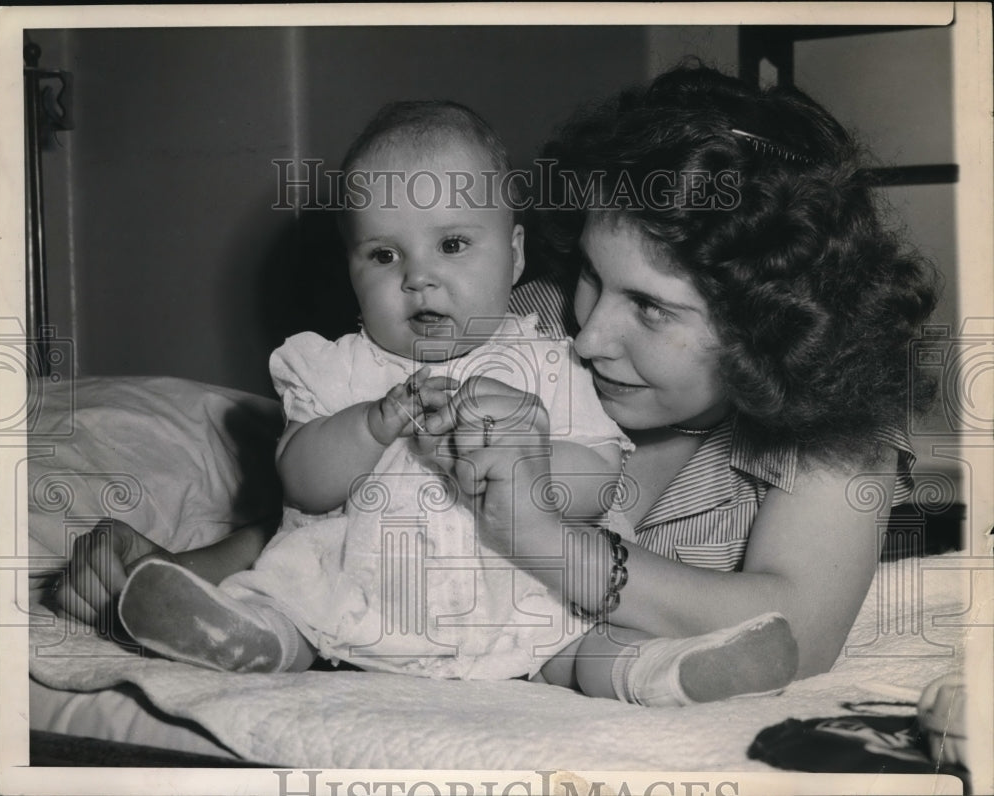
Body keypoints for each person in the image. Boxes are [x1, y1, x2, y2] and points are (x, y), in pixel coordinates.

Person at [55, 64, 937, 708]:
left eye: (651, 308)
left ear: (772, 329)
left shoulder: (839, 427)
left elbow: (799, 633)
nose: (589, 333)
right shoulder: (535, 322)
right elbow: (350, 510)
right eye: (591, 273)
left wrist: (538, 534)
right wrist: (173, 574)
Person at [110, 100, 630, 680]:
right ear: (350, 270)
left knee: (582, 640)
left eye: (452, 245)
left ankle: (653, 672)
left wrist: (521, 459)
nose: (417, 277)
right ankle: (246, 637)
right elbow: (303, 484)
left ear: (513, 257)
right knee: (295, 596)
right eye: (384, 255)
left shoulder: (548, 363)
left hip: (516, 585)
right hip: (365, 583)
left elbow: (601, 478)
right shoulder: (340, 368)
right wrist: (370, 424)